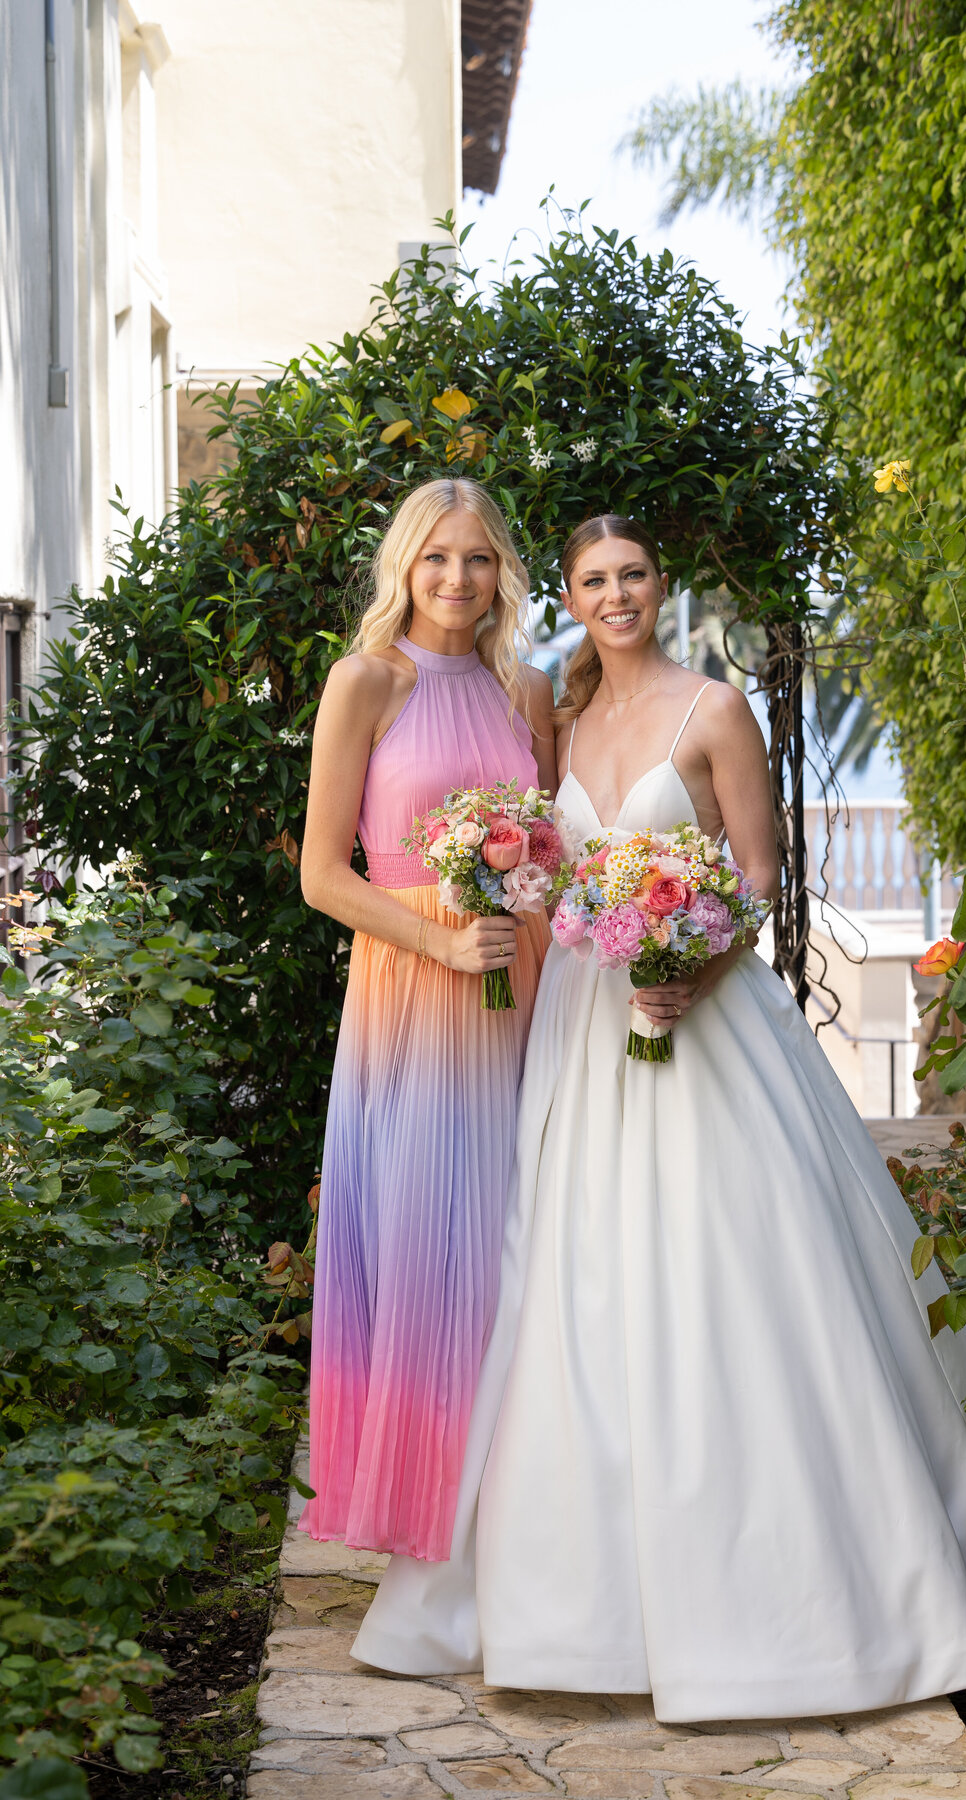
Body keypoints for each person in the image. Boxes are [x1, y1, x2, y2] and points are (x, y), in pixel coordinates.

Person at [468, 513, 966, 1721]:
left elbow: (754, 875)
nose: (617, 594)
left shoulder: (713, 710)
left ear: (660, 586)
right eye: (595, 580)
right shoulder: (562, 726)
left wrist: (692, 962)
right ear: (570, 599)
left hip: (710, 1022)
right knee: (584, 1292)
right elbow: (557, 873)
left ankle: (826, 1604)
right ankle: (594, 1609)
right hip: (587, 1031)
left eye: (634, 575)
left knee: (742, 1277)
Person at [297, 477, 553, 1567]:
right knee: (425, 1237)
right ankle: (427, 1512)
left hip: (522, 982)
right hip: (413, 988)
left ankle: (521, 1502)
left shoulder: (527, 692)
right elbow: (321, 875)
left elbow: (555, 842)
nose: (457, 579)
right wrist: (442, 941)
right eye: (438, 557)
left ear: (503, 574)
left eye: (480, 558)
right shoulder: (366, 683)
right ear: (404, 564)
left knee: (518, 1230)